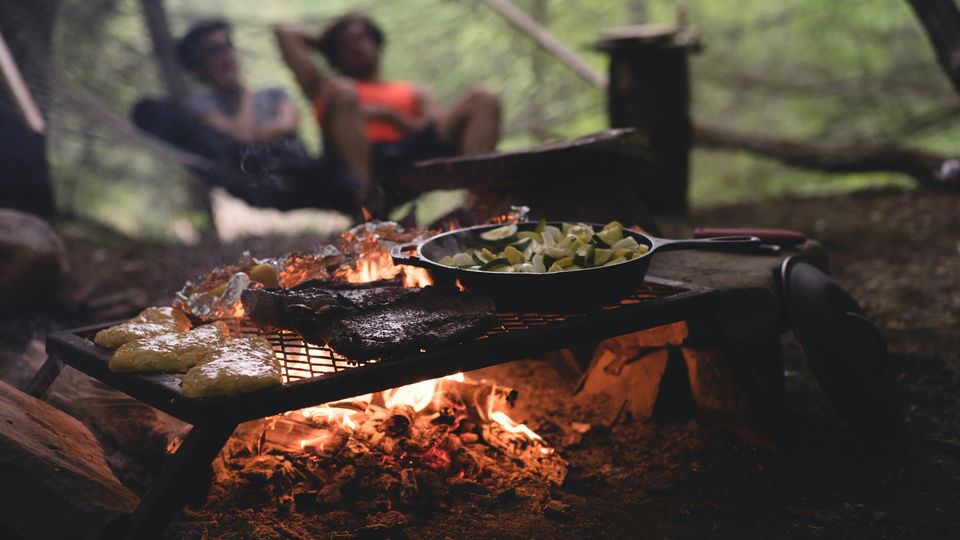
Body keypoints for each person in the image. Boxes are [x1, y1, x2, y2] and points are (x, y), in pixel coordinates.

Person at [274, 12, 501, 207]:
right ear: (335, 54)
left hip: (411, 152)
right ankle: (368, 200)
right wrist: (327, 42)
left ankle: (478, 201)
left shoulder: (413, 90)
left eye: (362, 37)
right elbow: (284, 32)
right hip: (357, 163)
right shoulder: (326, 88)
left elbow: (436, 130)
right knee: (345, 92)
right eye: (345, 44)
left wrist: (390, 116)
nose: (355, 46)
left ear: (376, 42)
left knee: (484, 98)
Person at [177, 20, 300, 145]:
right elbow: (240, 139)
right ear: (199, 68)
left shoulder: (275, 94)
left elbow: (288, 125)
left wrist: (251, 135)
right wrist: (244, 94)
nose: (227, 57)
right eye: (215, 51)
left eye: (229, 46)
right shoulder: (200, 106)